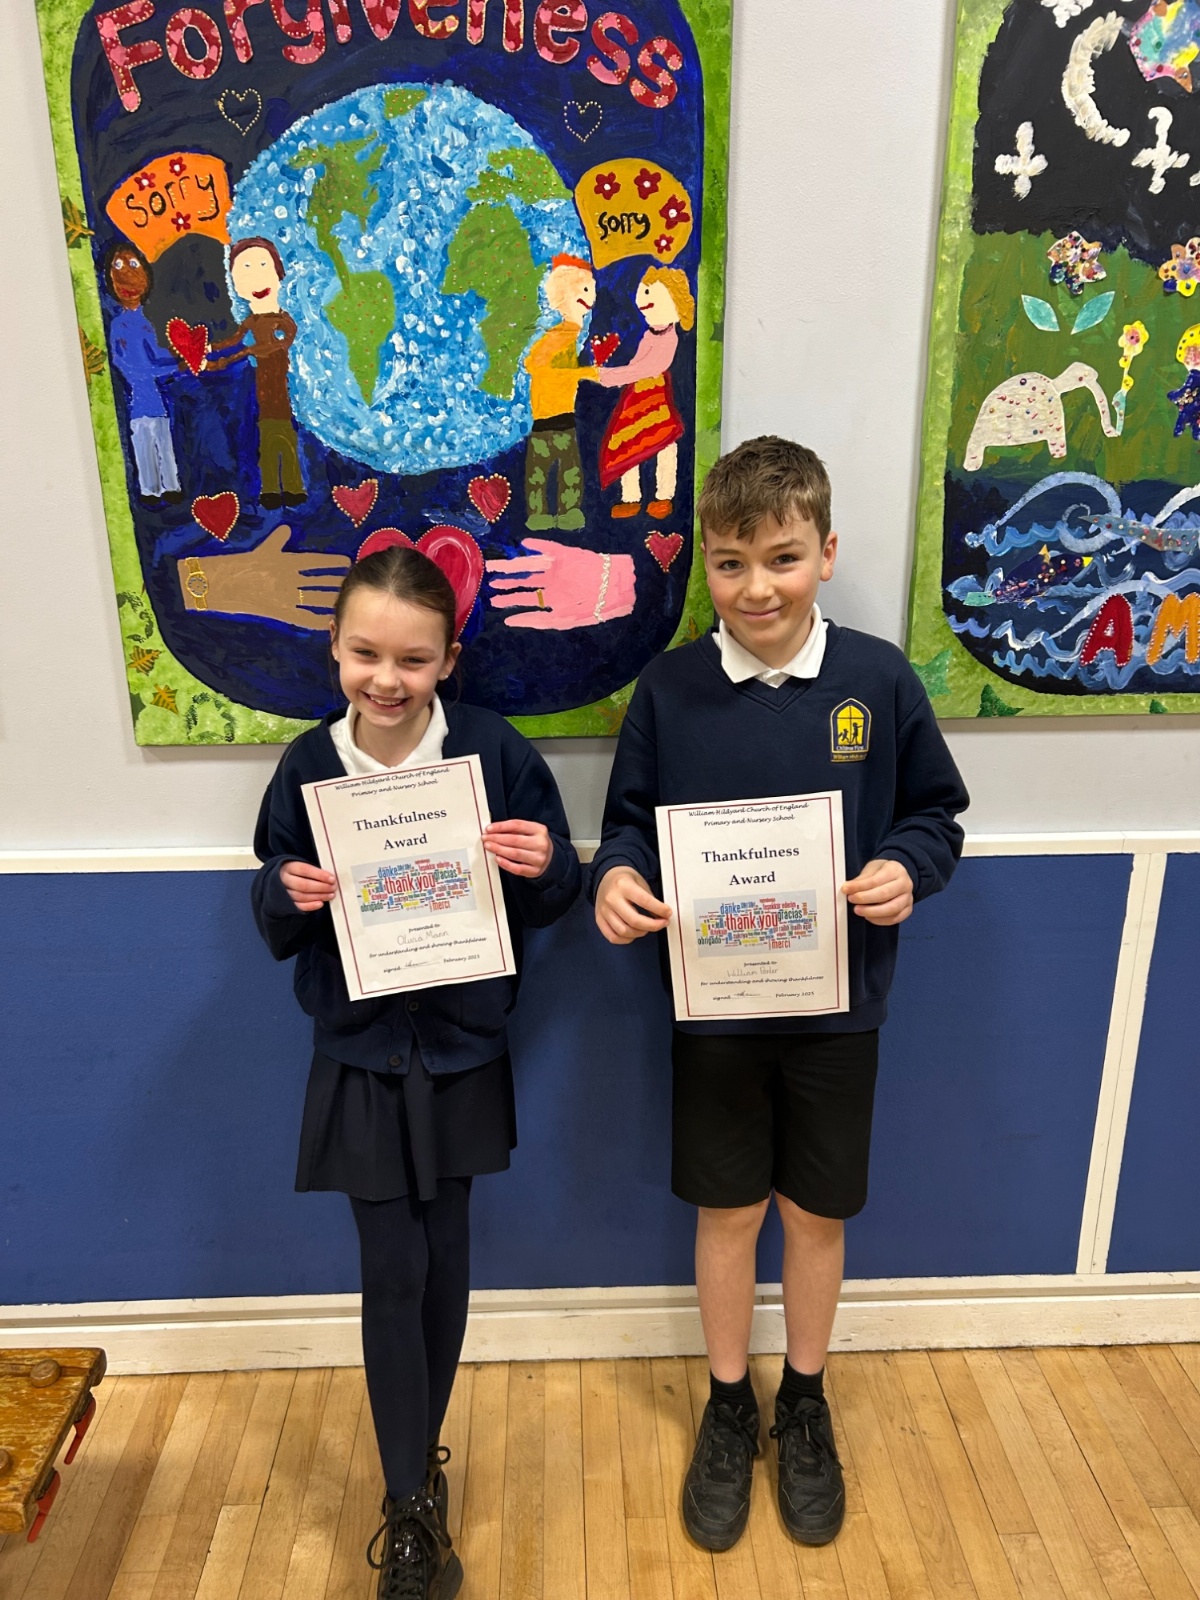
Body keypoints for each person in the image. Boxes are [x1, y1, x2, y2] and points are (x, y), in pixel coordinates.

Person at [590, 436, 968, 1552]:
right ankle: (727, 1402)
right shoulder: (669, 689)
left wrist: (907, 866)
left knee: (814, 1213)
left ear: (826, 553)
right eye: (730, 563)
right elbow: (628, 824)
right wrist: (616, 878)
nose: (757, 587)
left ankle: (803, 1400)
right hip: (716, 1008)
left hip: (838, 1011)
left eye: (783, 558)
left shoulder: (878, 681)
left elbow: (935, 813)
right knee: (728, 1212)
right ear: (706, 564)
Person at [252, 545, 580, 1600]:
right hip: (360, 1053)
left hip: (461, 1049)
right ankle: (404, 1504)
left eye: (412, 659)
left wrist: (549, 865)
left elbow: (554, 887)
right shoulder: (309, 764)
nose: (386, 679)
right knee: (390, 1269)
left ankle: (419, 1469)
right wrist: (285, 890)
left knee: (446, 1259)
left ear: (449, 660)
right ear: (334, 648)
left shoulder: (492, 750)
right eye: (365, 654)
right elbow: (270, 898)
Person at [584, 266, 694, 520]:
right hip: (636, 397)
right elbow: (636, 364)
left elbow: (647, 368)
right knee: (628, 444)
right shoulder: (649, 334)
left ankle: (663, 496)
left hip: (655, 399)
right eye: (643, 293)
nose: (643, 301)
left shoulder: (670, 338)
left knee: (665, 444)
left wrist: (606, 376)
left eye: (649, 294)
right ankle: (630, 497)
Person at [207, 237, 306, 509]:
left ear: (278, 273)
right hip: (264, 396)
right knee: (268, 442)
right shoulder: (251, 321)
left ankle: (294, 487)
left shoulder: (284, 321)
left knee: (285, 439)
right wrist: (209, 348)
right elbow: (233, 340)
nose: (255, 278)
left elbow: (277, 345)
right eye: (245, 271)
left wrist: (243, 354)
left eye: (263, 266)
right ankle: (271, 489)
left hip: (282, 396)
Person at [104, 243, 184, 504]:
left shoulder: (148, 323)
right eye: (118, 266)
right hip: (138, 399)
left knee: (162, 439)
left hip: (154, 399)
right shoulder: (119, 325)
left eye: (133, 265)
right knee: (144, 441)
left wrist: (180, 358)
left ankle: (170, 486)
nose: (127, 275)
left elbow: (157, 354)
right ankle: (150, 489)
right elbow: (122, 361)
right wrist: (174, 367)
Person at [523, 254, 596, 531]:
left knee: (568, 470)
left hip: (561, 415)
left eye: (592, 290)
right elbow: (535, 365)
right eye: (585, 289)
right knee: (544, 472)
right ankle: (541, 514)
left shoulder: (570, 334)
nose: (591, 298)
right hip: (548, 417)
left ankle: (566, 513)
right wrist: (583, 373)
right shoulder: (559, 336)